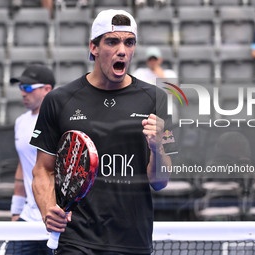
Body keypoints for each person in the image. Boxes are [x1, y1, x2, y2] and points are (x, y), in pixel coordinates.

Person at [30, 9, 176, 255]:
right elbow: (42, 170)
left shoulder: (155, 98)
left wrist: (157, 147)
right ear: (94, 47)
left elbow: (160, 182)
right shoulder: (59, 100)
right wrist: (48, 210)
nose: (122, 50)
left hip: (134, 239)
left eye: (129, 42)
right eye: (112, 41)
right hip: (77, 239)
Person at [7, 64, 55, 255]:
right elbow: (23, 166)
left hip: (56, 222)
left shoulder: (60, 120)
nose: (22, 93)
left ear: (47, 89)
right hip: (27, 219)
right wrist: (15, 212)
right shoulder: (20, 122)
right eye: (20, 88)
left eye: (28, 88)